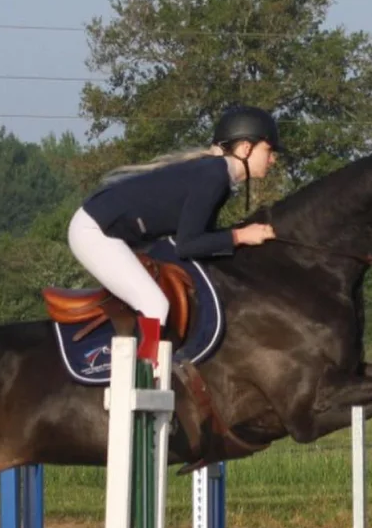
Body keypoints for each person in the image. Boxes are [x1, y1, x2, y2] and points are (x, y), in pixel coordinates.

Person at [67, 105, 280, 360]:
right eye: (268, 150)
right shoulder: (214, 176)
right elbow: (188, 245)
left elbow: (192, 239)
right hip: (95, 232)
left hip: (111, 230)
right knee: (155, 305)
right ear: (246, 148)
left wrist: (238, 236)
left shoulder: (214, 173)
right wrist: (240, 236)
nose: (273, 159)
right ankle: (144, 382)